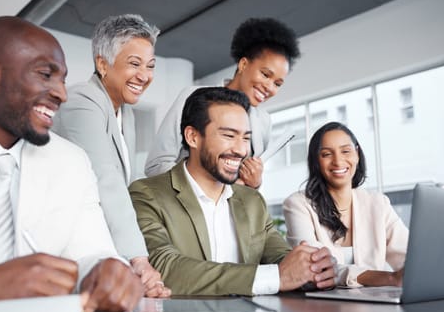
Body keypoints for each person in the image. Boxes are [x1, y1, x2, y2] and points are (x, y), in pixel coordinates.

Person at [0, 16, 143, 312]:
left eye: (63, 80)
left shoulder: (71, 162)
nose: (61, 94)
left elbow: (92, 252)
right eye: (45, 74)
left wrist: (107, 271)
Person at [129, 87, 336, 295]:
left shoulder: (252, 201)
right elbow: (165, 267)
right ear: (192, 137)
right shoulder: (147, 194)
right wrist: (276, 277)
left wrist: (314, 269)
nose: (241, 150)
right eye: (229, 135)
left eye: (246, 138)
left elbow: (281, 259)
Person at [52, 14, 170, 298]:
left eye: (150, 66)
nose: (144, 76)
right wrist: (138, 258)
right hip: (68, 244)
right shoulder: (82, 101)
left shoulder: (122, 112)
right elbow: (105, 179)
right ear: (102, 64)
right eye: (134, 64)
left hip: (101, 245)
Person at [144, 18, 301, 189]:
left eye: (277, 84)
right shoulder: (194, 97)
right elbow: (156, 165)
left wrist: (255, 183)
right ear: (243, 64)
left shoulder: (263, 121)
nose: (269, 87)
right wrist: (212, 189)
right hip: (187, 210)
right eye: (265, 74)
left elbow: (243, 184)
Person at [283, 122, 409, 287]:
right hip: (322, 306)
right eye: (327, 154)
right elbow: (317, 269)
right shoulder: (297, 205)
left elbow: (409, 256)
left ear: (356, 154)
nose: (338, 161)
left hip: (375, 304)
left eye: (345, 151)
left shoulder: (378, 204)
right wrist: (389, 278)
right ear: (316, 161)